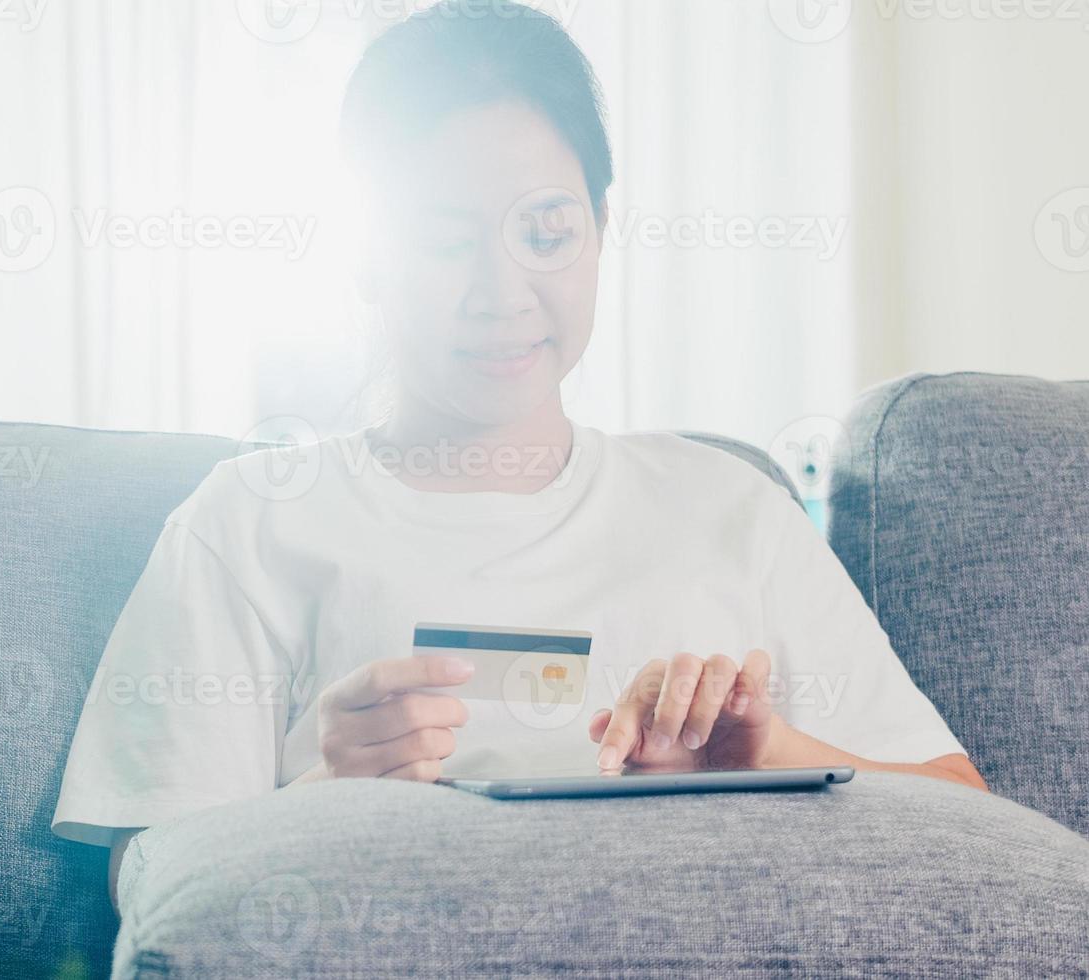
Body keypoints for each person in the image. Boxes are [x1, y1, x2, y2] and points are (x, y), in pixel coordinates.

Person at [50, 0, 986, 908]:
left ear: (601, 231)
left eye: (547, 231)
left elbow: (970, 822)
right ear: (367, 256)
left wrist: (770, 754)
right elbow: (148, 882)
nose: (503, 292)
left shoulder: (729, 508)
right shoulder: (250, 518)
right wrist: (319, 795)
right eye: (445, 239)